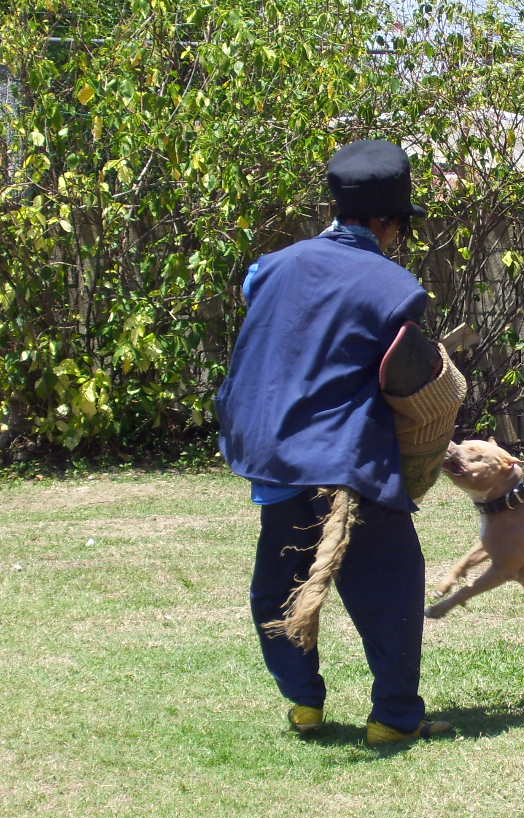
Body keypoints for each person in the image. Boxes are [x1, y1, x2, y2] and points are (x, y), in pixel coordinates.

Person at [216, 139, 461, 744]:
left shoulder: (268, 268)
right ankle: (393, 719)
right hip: (344, 454)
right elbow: (398, 369)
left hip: (270, 447)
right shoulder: (395, 287)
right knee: (389, 580)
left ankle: (304, 703)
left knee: (281, 579)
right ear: (388, 222)